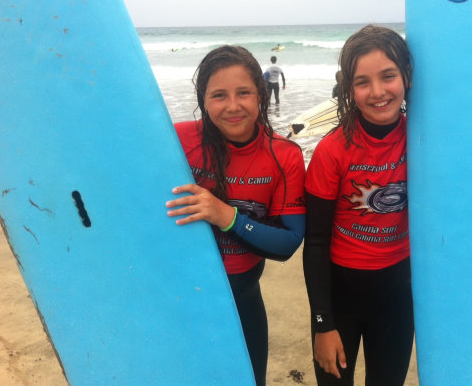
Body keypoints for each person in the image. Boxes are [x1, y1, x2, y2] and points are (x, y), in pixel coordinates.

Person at [166, 45, 306, 386]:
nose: (233, 106)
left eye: (243, 92)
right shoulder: (175, 139)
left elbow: (288, 242)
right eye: (218, 95)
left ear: (260, 94)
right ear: (203, 100)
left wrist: (225, 215)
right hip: (182, 298)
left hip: (244, 299)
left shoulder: (283, 156)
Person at [303, 24, 414, 386]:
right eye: (362, 82)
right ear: (349, 89)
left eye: (388, 76)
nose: (378, 92)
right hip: (340, 296)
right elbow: (315, 241)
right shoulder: (332, 150)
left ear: (407, 77)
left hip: (398, 295)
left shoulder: (423, 138)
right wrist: (323, 324)